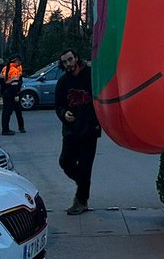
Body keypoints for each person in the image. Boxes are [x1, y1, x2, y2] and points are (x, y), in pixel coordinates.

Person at [55, 48, 100, 216]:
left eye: (70, 59)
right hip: (71, 130)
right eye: (65, 62)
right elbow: (58, 105)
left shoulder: (91, 75)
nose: (68, 64)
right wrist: (64, 114)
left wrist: (98, 122)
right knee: (65, 161)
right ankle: (83, 183)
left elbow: (101, 96)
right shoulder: (63, 82)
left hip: (89, 129)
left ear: (76, 58)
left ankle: (81, 201)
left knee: (86, 165)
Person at [0, 54, 26, 136]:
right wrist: (16, 95)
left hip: (6, 92)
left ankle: (5, 128)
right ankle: (10, 129)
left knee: (5, 111)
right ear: (16, 61)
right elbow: (15, 84)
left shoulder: (5, 68)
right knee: (14, 111)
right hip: (12, 93)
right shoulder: (14, 70)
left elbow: (0, 80)